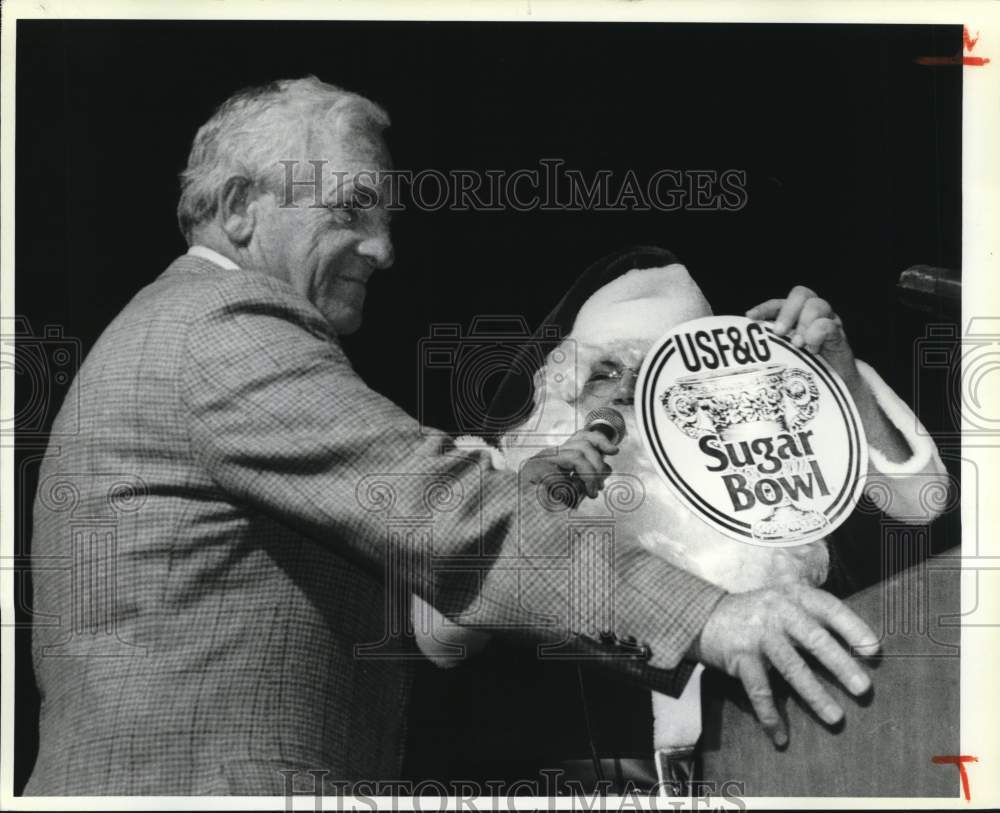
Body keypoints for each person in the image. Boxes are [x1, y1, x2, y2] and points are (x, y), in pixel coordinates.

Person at [26, 77, 881, 796]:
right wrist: (713, 616)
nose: (385, 248)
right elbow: (453, 519)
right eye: (355, 208)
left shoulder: (184, 329)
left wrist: (535, 486)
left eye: (388, 216)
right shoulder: (225, 325)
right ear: (246, 209)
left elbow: (429, 604)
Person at [410, 252, 948, 789]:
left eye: (648, 376)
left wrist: (841, 382)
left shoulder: (761, 486)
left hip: (774, 773)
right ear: (564, 389)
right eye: (604, 372)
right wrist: (523, 503)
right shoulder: (500, 476)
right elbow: (439, 641)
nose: (624, 392)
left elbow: (919, 503)